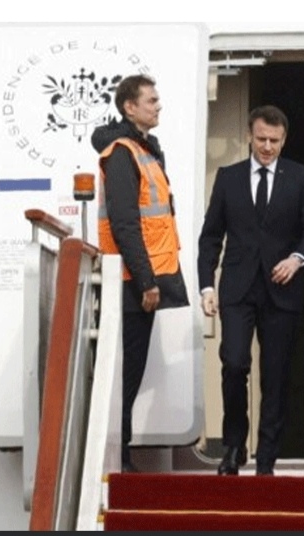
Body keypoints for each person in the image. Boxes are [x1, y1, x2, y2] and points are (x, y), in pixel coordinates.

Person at [197, 105, 304, 476]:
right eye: (261, 139)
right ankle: (234, 445)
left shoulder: (300, 177)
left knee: (276, 374)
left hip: (282, 290)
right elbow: (210, 237)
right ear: (249, 136)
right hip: (237, 289)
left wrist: (297, 259)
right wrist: (207, 285)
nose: (267, 147)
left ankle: (266, 458)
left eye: (274, 140)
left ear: (284, 140)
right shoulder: (229, 177)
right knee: (234, 363)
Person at [92, 75, 189, 473]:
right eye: (151, 100)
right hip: (132, 283)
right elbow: (125, 224)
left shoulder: (144, 149)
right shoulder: (122, 153)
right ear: (129, 107)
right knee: (125, 373)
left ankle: (123, 454)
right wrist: (146, 281)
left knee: (131, 371)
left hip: (141, 278)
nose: (158, 105)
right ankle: (119, 457)